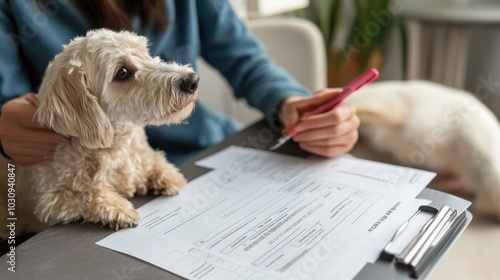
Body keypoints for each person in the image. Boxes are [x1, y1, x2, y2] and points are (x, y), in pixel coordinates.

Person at [0, 0, 360, 166]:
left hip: (209, 154)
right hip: (98, 177)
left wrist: (291, 103)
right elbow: (10, 104)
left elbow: (247, 61)